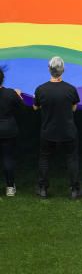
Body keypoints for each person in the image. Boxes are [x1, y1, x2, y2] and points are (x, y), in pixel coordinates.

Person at [33, 57, 82, 200]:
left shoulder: (41, 89)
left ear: (49, 69)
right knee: (71, 159)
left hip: (48, 131)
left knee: (44, 159)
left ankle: (43, 189)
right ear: (63, 70)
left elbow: (35, 107)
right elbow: (74, 108)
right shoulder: (71, 89)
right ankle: (75, 190)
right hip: (68, 131)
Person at [0, 66, 26, 196]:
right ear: (2, 79)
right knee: (7, 158)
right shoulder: (10, 93)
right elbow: (23, 108)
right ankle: (10, 187)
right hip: (8, 130)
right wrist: (18, 95)